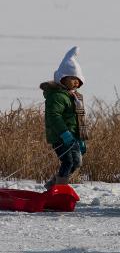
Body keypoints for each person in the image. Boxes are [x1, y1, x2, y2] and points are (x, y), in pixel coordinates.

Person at [40, 46, 88, 190]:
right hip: (61, 137)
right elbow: (54, 116)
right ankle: (59, 189)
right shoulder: (57, 96)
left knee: (77, 162)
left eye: (78, 80)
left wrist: (80, 139)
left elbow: (78, 120)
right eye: (73, 78)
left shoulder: (74, 97)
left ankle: (54, 184)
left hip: (73, 137)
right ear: (63, 77)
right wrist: (64, 133)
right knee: (68, 161)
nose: (76, 83)